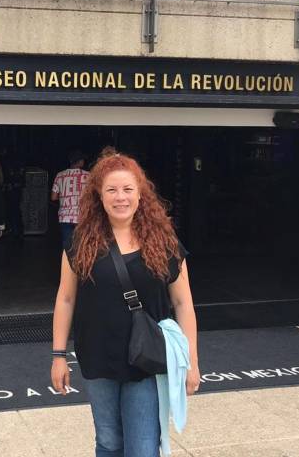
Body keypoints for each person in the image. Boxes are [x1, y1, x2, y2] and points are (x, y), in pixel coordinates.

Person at [50, 150, 199, 456]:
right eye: (112, 190)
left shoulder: (165, 242)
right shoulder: (79, 244)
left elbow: (184, 304)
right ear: (99, 197)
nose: (121, 198)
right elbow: (65, 299)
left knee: (143, 448)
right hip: (97, 357)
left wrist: (191, 362)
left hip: (145, 360)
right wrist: (58, 355)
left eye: (128, 189)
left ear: (141, 195)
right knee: (108, 442)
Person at [51, 149, 89, 251]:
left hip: (64, 217)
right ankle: (81, 266)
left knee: (67, 248)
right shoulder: (88, 176)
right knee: (82, 247)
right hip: (82, 217)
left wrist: (65, 196)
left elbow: (53, 197)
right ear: (80, 161)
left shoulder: (60, 175)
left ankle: (67, 266)